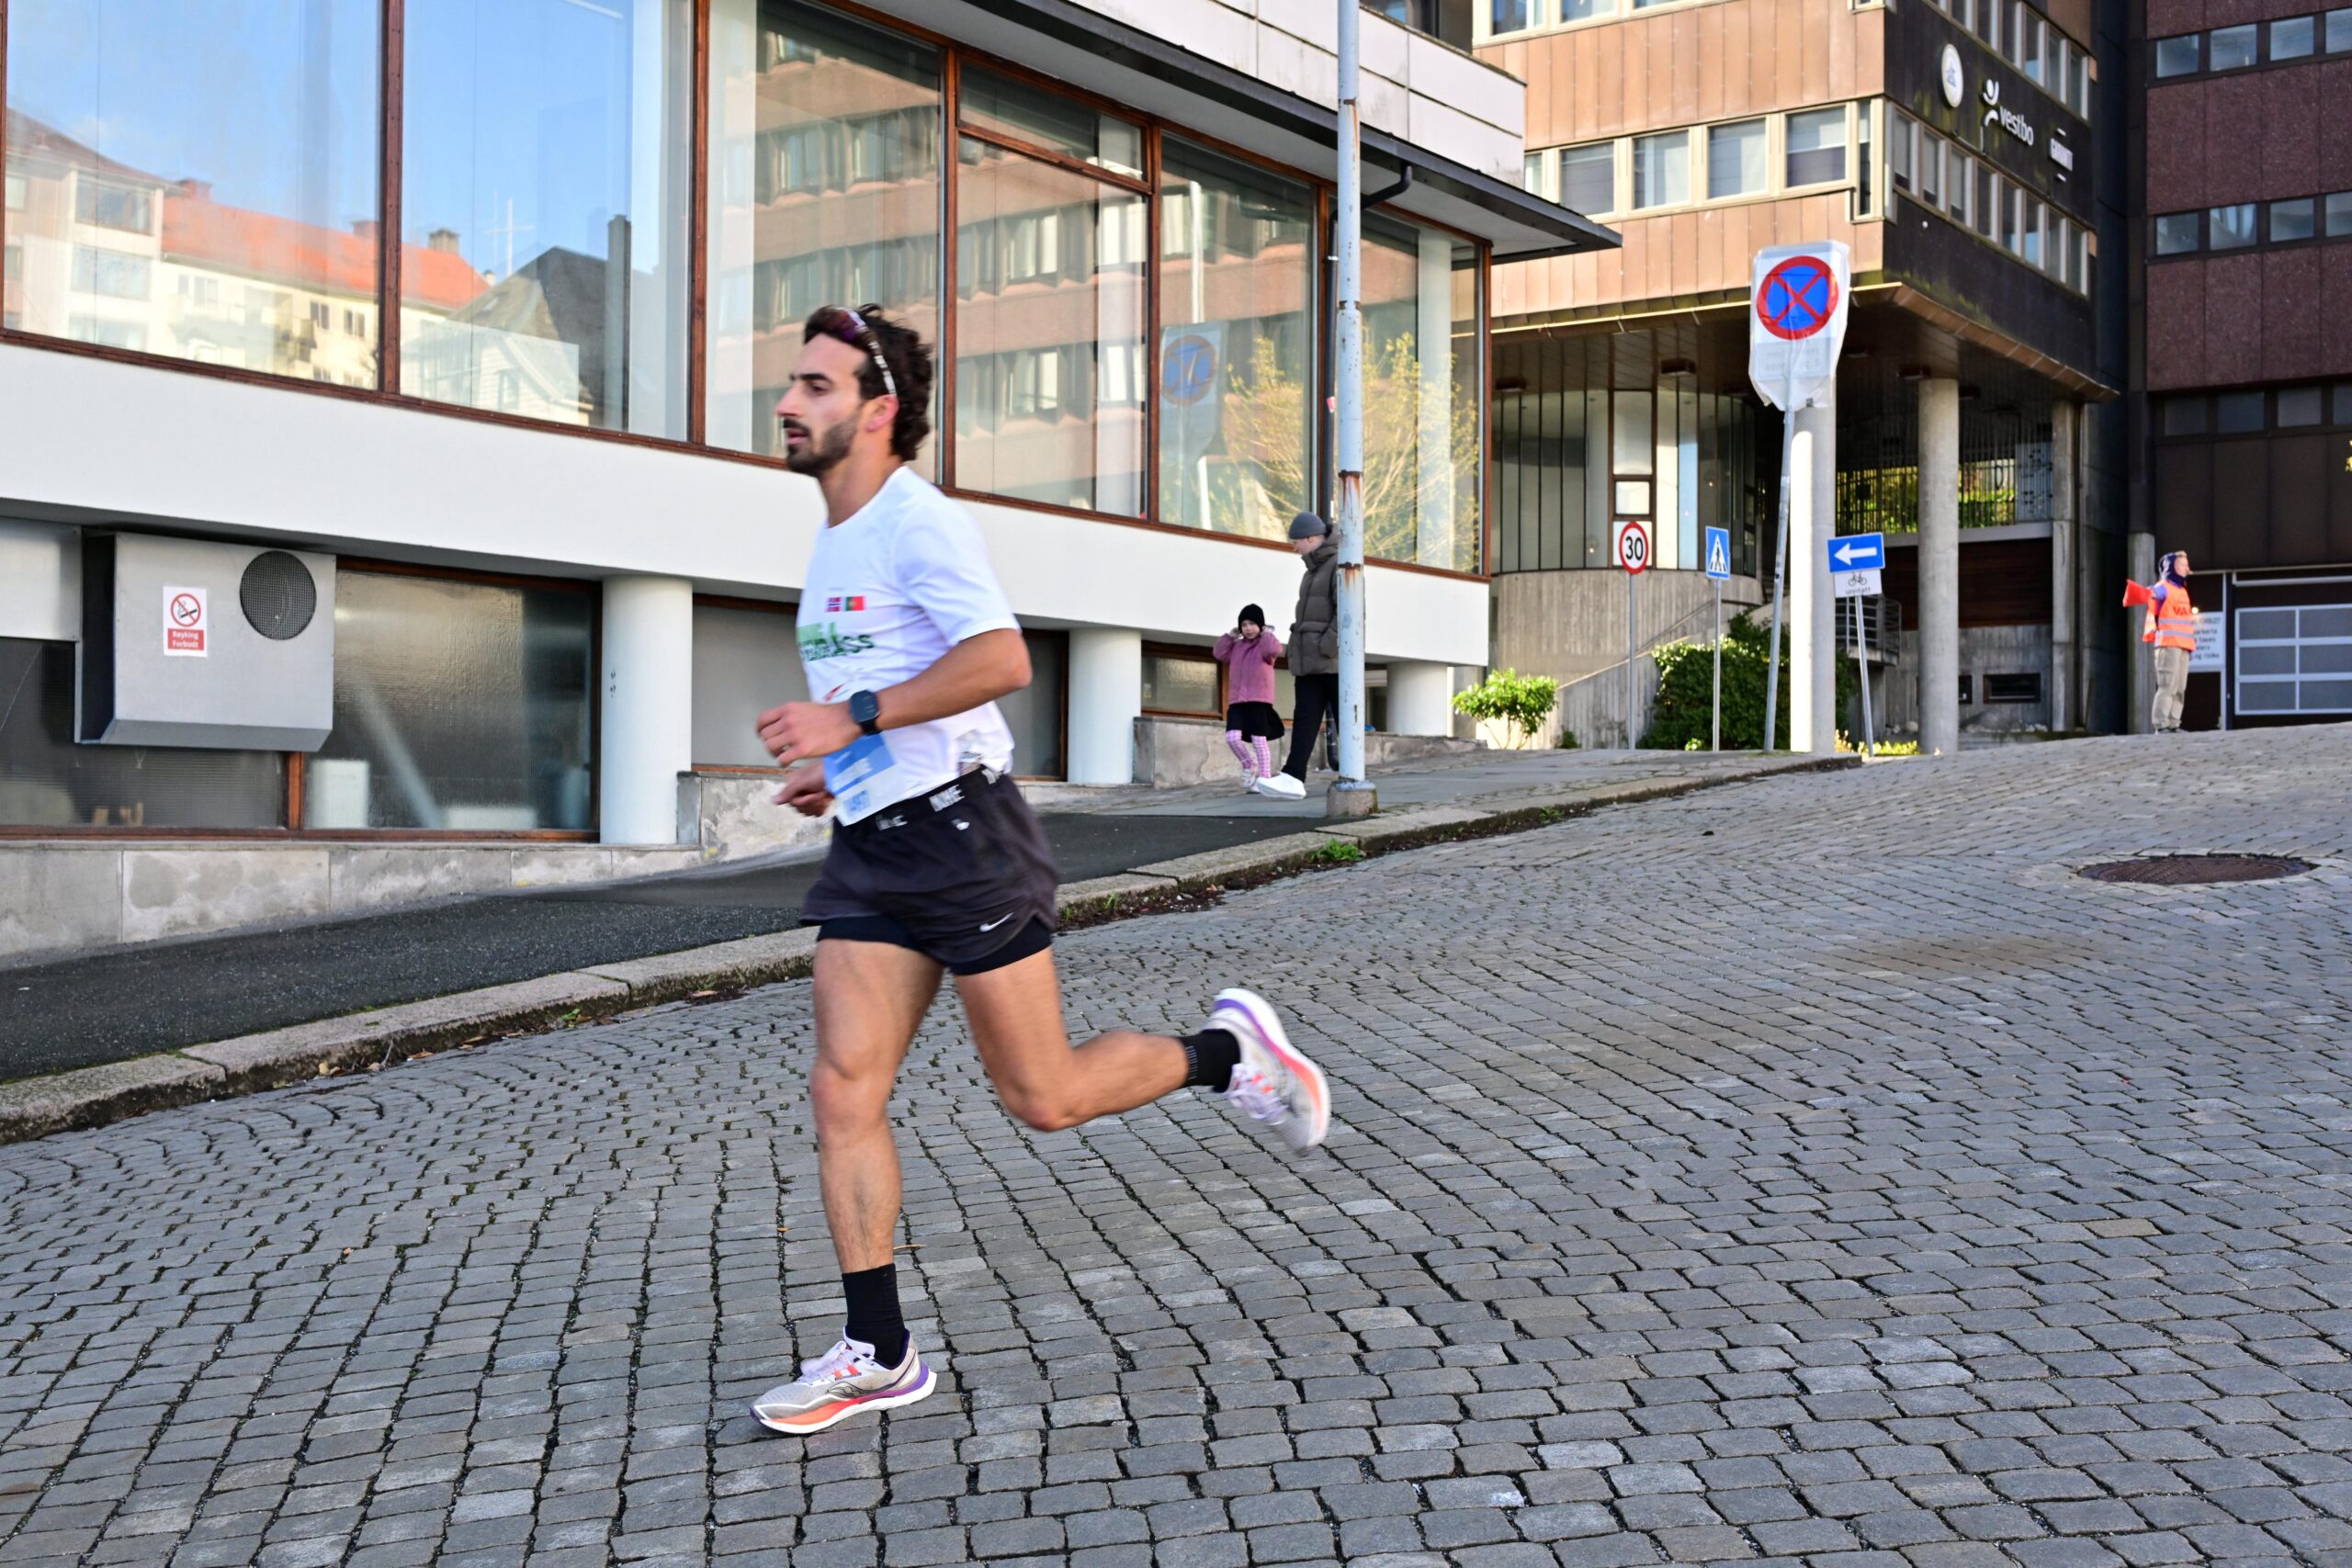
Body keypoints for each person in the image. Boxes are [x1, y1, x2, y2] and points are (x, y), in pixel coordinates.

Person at [747, 305, 1332, 1437]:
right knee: (841, 1090)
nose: (787, 404)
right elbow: (898, 691)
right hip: (872, 846)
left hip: (962, 839)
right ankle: (877, 1351)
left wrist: (851, 716)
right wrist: (839, 764)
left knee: (1044, 1098)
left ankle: (1228, 1055)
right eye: (792, 384)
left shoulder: (916, 522)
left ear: (879, 409)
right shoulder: (834, 543)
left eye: (816, 387)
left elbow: (1001, 658)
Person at [1255, 512, 1338, 799]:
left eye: (1296, 542)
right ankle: (1292, 777)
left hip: (1333, 663)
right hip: (1310, 662)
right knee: (1304, 719)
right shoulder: (1311, 572)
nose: (1294, 548)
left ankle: (1355, 776)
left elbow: (1348, 614)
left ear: (1311, 538)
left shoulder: (1340, 565)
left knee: (1345, 722)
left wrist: (1326, 648)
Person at [1214, 604, 1284, 790]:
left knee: (1259, 741)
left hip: (1259, 699)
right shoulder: (1236, 647)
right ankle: (1249, 764)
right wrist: (1229, 636)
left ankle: (1265, 779)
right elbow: (1219, 653)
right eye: (1244, 624)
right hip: (1237, 700)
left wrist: (1266, 633)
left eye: (1252, 624)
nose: (1248, 628)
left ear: (1260, 625)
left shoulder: (1265, 645)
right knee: (1232, 738)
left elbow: (1274, 651)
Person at [2143, 550, 2196, 733]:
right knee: (2167, 686)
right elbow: (2152, 593)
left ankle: (2174, 723)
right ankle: (2161, 724)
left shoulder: (2182, 591)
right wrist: (2148, 592)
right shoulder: (2163, 586)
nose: (2187, 569)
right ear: (2172, 567)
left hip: (2182, 645)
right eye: (2183, 565)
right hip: (2168, 644)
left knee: (2180, 687)